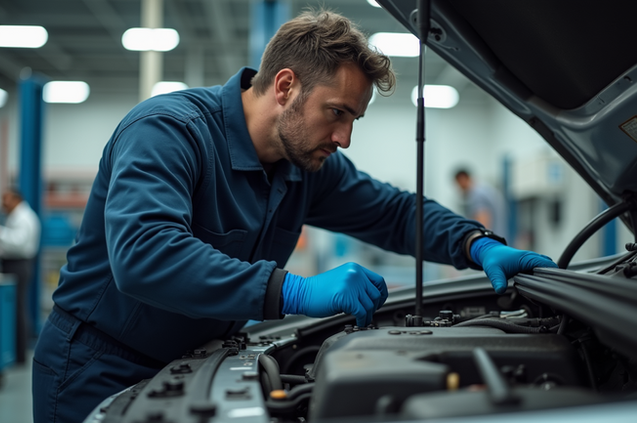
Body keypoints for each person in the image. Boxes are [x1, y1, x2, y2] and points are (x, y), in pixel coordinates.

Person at [32, 9, 557, 423]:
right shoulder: (169, 132)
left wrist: (477, 243)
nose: (345, 137)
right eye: (338, 112)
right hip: (100, 367)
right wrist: (294, 292)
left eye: (354, 119)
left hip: (191, 359)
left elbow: (395, 212)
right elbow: (144, 256)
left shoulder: (303, 165)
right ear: (285, 87)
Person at [0, 188, 41, 364]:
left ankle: (19, 355)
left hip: (18, 266)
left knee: (17, 310)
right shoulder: (17, 216)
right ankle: (14, 352)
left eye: (5, 200)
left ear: (16, 199)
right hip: (14, 263)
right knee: (14, 310)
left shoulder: (24, 217)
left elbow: (19, 244)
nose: (2, 204)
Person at [454, 168, 508, 236]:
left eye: (458, 184)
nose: (458, 188)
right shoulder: (485, 189)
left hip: (490, 241)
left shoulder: (477, 195)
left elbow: (482, 223)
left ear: (462, 179)